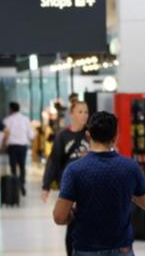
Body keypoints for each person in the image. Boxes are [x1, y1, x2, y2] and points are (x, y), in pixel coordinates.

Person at [53, 111, 145, 256]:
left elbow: (59, 217)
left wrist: (72, 215)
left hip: (85, 248)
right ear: (115, 136)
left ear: (88, 135)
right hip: (122, 248)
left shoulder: (74, 170)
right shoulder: (131, 167)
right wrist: (127, 194)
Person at [42, 99, 90, 256]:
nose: (84, 115)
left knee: (88, 220)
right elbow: (54, 160)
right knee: (72, 222)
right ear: (71, 114)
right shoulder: (63, 136)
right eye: (80, 112)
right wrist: (46, 185)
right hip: (70, 184)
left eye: (86, 112)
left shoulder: (91, 134)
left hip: (90, 183)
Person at [3, 102, 34, 195]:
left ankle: (14, 185)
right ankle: (22, 183)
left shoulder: (7, 120)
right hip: (22, 146)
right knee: (22, 166)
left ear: (11, 109)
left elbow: (4, 134)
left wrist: (1, 146)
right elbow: (31, 134)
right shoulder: (25, 119)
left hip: (12, 146)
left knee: (13, 166)